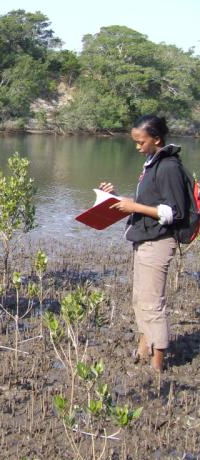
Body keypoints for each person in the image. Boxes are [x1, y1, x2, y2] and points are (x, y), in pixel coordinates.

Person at [99, 115, 187, 372]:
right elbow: (150, 203)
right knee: (139, 299)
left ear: (157, 139)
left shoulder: (169, 167)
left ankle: (158, 363)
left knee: (152, 302)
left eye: (141, 141)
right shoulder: (152, 163)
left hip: (158, 242)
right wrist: (113, 198)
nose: (137, 147)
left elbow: (174, 212)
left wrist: (133, 206)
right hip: (145, 239)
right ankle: (143, 346)